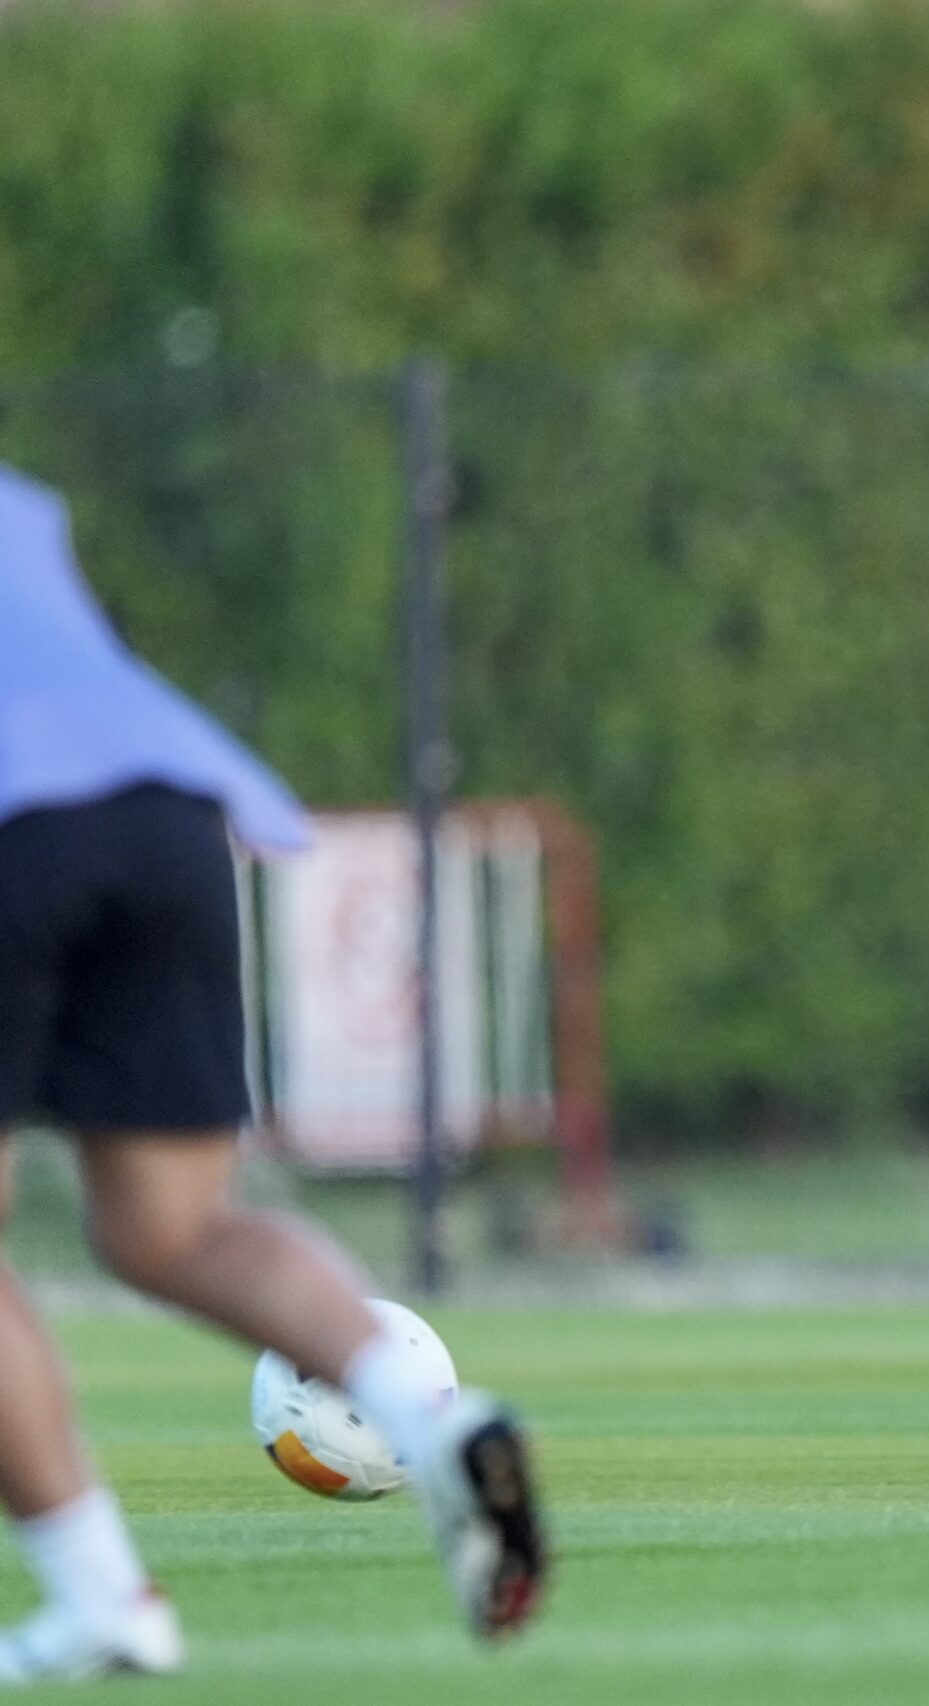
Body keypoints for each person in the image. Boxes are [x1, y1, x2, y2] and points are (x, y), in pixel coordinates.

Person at [0, 466, 546, 1681]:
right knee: (173, 1228)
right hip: (168, 807)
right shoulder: (17, 499)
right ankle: (437, 1422)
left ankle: (101, 1594)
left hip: (11, 819)